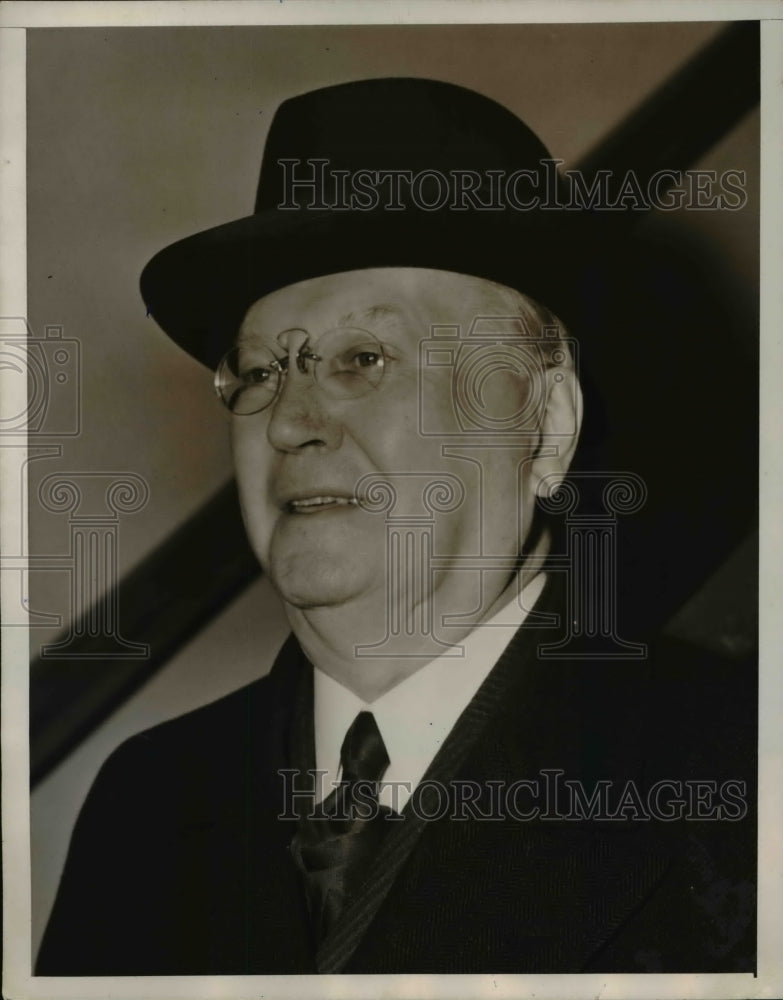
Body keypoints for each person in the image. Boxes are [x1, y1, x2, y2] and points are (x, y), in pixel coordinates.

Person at [36, 77, 755, 975]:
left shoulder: (739, 772)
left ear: (543, 426)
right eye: (258, 372)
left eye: (362, 358)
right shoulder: (150, 798)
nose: (289, 420)